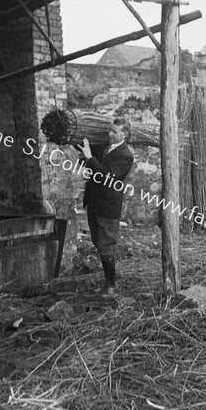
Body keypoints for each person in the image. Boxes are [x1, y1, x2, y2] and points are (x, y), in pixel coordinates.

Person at [79, 118, 134, 295]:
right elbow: (91, 157)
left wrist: (89, 158)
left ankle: (111, 286)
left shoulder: (126, 155)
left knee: (106, 246)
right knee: (99, 244)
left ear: (124, 134)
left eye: (115, 132)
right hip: (94, 202)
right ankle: (108, 284)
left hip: (107, 207)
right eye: (109, 130)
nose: (110, 134)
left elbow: (108, 176)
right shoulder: (105, 147)